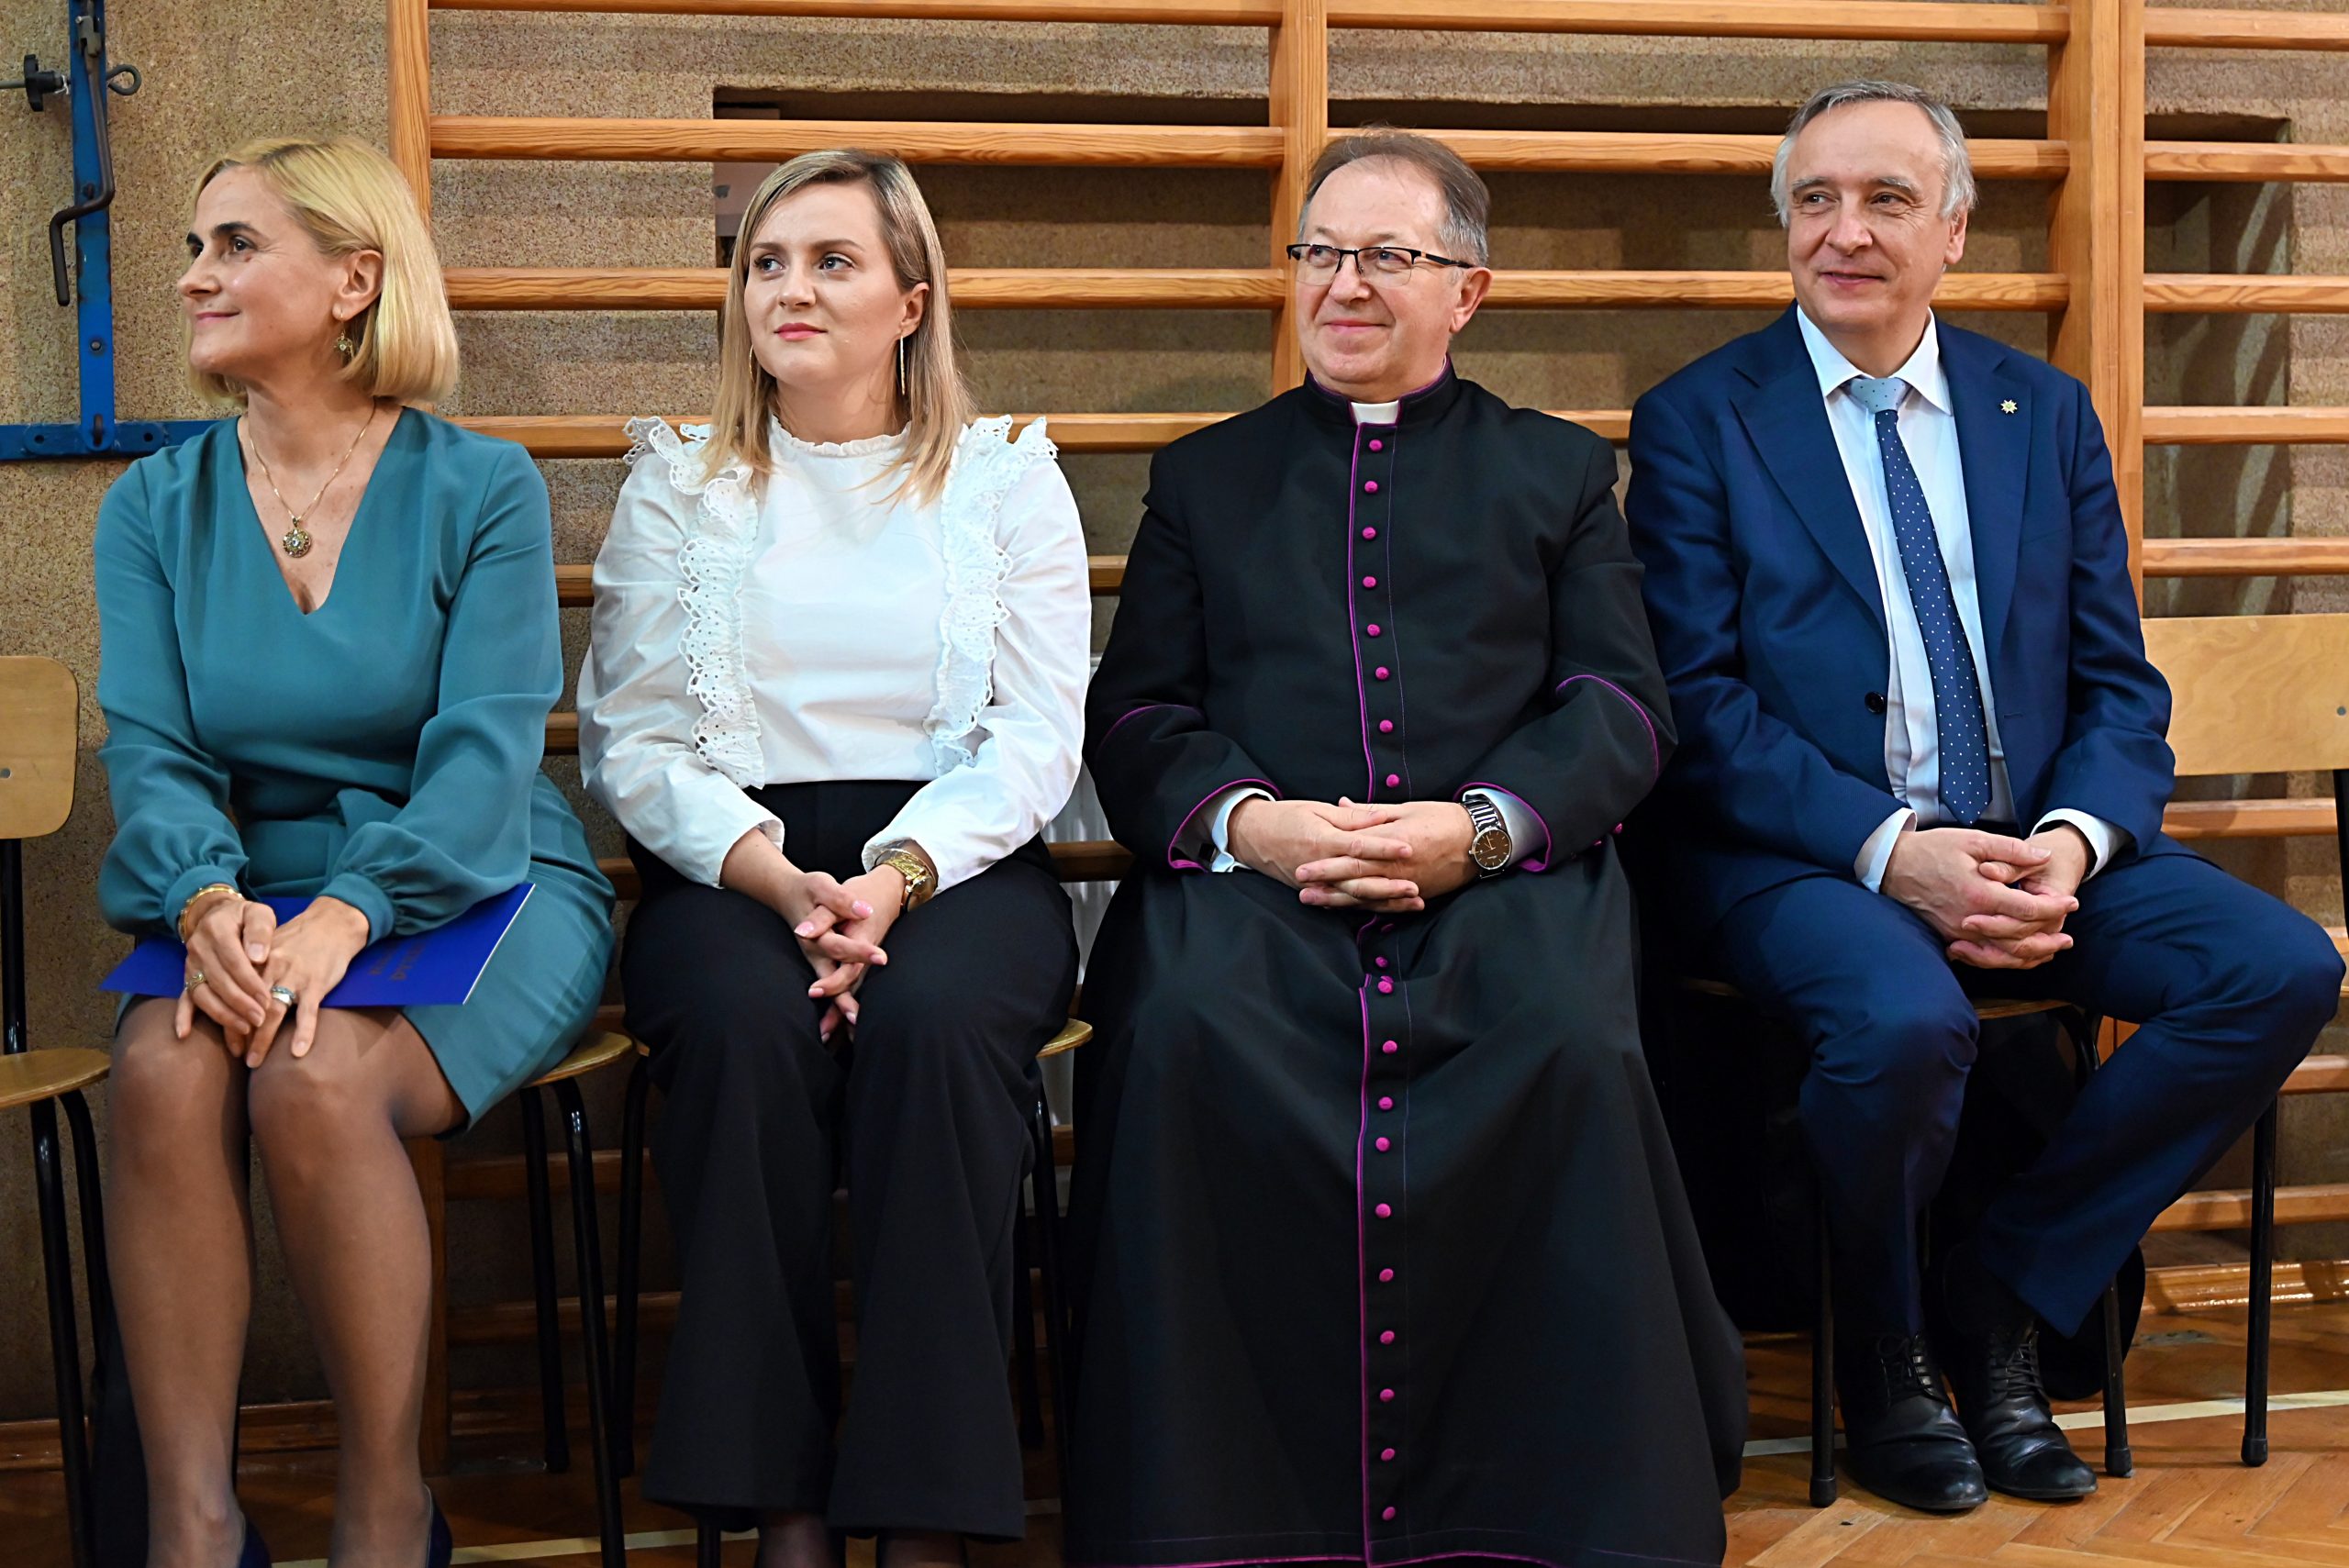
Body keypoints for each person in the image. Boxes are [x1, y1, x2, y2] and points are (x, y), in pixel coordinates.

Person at [1625, 80, 2344, 1513]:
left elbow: (2118, 683)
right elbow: (1694, 705)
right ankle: (1886, 1353)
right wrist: (1896, 850)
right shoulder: (1701, 418)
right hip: (1803, 851)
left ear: (1954, 229)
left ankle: (2005, 1284)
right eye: (1815, 200)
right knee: (1906, 1024)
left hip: (2030, 840)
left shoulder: (2044, 411)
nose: (1845, 231)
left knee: (2275, 966)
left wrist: (2069, 847)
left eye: (1886, 199)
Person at [1067, 129, 1745, 1568]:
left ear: (1467, 291)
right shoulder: (1206, 479)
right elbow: (1137, 713)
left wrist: (1476, 828)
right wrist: (1254, 823)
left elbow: (1621, 704)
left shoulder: (1558, 472)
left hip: (1498, 875)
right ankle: (1225, 1508)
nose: (1345, 284)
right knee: (1184, 1026)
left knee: (1568, 1035)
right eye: (1321, 253)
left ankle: (1541, 1499)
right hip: (1262, 878)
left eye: (1387, 256)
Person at [95, 136, 614, 1568]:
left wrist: (355, 907)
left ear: (353, 281)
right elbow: (152, 750)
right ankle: (194, 1526)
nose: (193, 276)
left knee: (314, 1081)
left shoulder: (483, 486)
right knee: (159, 1073)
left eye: (235, 244)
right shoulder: (151, 507)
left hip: (480, 874)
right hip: (243, 886)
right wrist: (203, 895)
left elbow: (487, 751)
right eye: (194, 247)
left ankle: (387, 1511)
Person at [576, 150, 1089, 1568]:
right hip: (734, 864)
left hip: (955, 864)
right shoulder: (680, 483)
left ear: (912, 303)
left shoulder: (1006, 481)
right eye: (766, 263)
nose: (788, 289)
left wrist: (894, 877)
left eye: (832, 260)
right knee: (743, 1028)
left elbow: (1038, 733)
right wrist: (777, 878)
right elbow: (633, 740)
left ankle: (925, 1510)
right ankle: (783, 1505)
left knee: (935, 1026)